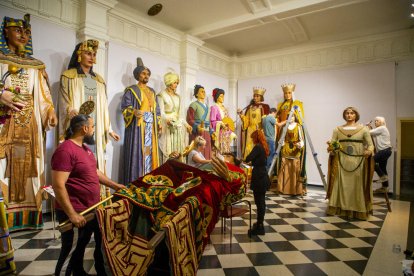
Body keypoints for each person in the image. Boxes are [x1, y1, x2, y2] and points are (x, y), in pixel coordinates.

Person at [0, 14, 57, 231]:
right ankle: (4, 219)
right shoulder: (1, 59)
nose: (23, 35)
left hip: (30, 124)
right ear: (6, 32)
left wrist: (49, 110)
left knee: (31, 166)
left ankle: (28, 216)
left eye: (26, 32)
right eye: (17, 30)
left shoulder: (36, 65)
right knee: (4, 164)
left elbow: (43, 94)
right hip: (5, 122)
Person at [51, 114, 124, 276]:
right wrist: (72, 214)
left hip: (90, 208)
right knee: (70, 251)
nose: (93, 130)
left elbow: (95, 172)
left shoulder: (85, 150)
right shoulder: (65, 150)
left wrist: (115, 186)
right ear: (84, 128)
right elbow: (58, 184)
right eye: (92, 127)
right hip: (75, 211)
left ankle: (79, 272)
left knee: (82, 247)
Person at [59, 39, 120, 170]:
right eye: (88, 53)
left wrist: (109, 130)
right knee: (78, 158)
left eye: (94, 54)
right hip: (79, 123)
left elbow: (103, 107)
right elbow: (64, 100)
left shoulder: (99, 80)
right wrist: (70, 110)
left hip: (96, 126)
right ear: (79, 55)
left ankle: (96, 187)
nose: (92, 57)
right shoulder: (69, 76)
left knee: (94, 156)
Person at [326, 107, 375, 220]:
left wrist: (369, 151)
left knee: (357, 185)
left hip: (358, 162)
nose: (349, 115)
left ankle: (357, 210)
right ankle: (339, 207)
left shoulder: (363, 129)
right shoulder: (337, 129)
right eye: (347, 113)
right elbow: (333, 143)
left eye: (352, 113)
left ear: (356, 115)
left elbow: (371, 145)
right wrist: (331, 148)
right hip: (341, 161)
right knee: (340, 184)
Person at [121, 58, 161, 184]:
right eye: (144, 73)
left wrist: (159, 123)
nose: (146, 76)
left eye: (148, 74)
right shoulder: (131, 90)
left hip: (151, 127)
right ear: (138, 75)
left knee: (149, 154)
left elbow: (157, 109)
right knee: (140, 154)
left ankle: (148, 180)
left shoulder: (152, 92)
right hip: (139, 128)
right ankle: (137, 181)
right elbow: (125, 107)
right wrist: (133, 112)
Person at [275, 83, 307, 191]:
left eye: (289, 93)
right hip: (283, 132)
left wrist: (292, 116)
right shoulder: (280, 105)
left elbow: (300, 118)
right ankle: (282, 185)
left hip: (294, 132)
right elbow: (277, 118)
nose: (287, 95)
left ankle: (297, 187)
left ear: (292, 93)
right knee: (282, 159)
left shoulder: (297, 103)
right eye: (285, 93)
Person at [157, 72, 191, 164]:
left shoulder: (178, 97)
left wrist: (186, 124)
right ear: (169, 82)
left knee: (178, 149)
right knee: (169, 149)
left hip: (177, 127)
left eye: (177, 82)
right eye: (174, 82)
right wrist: (166, 119)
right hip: (167, 126)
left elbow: (180, 114)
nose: (176, 85)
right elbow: (160, 112)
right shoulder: (161, 95)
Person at [244, 129, 270, 235]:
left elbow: (248, 158)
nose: (252, 141)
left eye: (253, 138)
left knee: (259, 203)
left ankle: (260, 227)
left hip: (259, 176)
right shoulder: (263, 146)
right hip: (263, 174)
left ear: (256, 138)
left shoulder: (257, 147)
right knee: (261, 202)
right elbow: (258, 160)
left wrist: (245, 161)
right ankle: (260, 223)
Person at [237, 87, 270, 159]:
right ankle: (248, 162)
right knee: (248, 147)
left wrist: (263, 130)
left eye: (257, 96)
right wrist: (241, 115)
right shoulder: (249, 107)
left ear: (261, 97)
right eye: (254, 95)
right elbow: (247, 121)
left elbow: (266, 120)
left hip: (259, 131)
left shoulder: (265, 107)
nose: (255, 97)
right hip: (250, 131)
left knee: (258, 147)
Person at [277, 114, 304, 195]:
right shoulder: (285, 126)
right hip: (286, 149)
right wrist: (281, 143)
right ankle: (284, 189)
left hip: (295, 149)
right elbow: (282, 138)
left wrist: (300, 144)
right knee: (285, 168)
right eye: (289, 117)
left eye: (292, 117)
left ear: (295, 117)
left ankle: (295, 190)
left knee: (294, 169)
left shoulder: (298, 126)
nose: (291, 118)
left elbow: (301, 138)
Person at [186, 84, 212, 160]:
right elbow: (189, 119)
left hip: (206, 131)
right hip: (197, 133)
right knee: (198, 152)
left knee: (207, 151)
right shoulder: (193, 105)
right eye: (201, 92)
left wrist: (211, 130)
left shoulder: (207, 107)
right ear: (196, 94)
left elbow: (209, 120)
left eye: (204, 92)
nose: (204, 93)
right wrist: (197, 126)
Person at [368, 116, 392, 192]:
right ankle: (385, 187)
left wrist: (363, 128)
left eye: (377, 121)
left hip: (384, 151)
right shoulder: (380, 129)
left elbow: (369, 133)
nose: (375, 122)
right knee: (382, 168)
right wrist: (370, 128)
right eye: (375, 121)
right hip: (386, 151)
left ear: (382, 122)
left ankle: (382, 176)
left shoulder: (382, 128)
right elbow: (373, 133)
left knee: (371, 161)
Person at [210, 88, 237, 154]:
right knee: (220, 151)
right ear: (217, 97)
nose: (223, 97)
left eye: (223, 96)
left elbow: (228, 120)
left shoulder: (225, 108)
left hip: (226, 132)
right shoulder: (214, 107)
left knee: (227, 151)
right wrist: (221, 123)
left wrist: (230, 129)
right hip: (220, 132)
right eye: (221, 96)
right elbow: (212, 121)